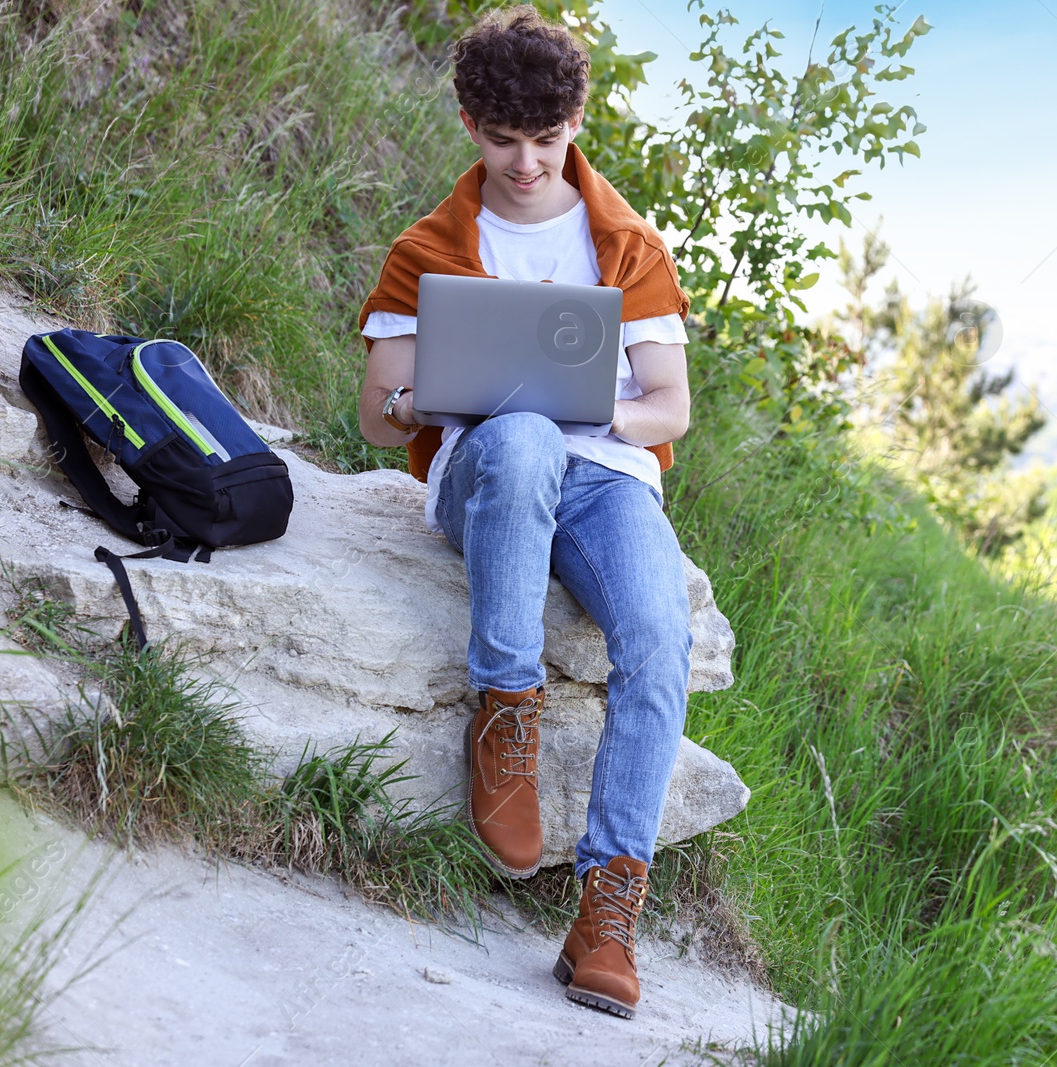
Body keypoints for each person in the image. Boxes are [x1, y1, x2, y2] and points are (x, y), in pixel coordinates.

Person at [355, 5, 694, 1020]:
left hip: (605, 478)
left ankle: (606, 908)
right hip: (489, 467)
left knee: (658, 638)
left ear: (574, 124)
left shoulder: (624, 242)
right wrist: (432, 400)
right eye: (505, 141)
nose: (529, 165)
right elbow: (378, 418)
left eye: (548, 141)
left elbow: (669, 405)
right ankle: (506, 710)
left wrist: (594, 406)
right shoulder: (431, 246)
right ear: (470, 124)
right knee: (520, 435)